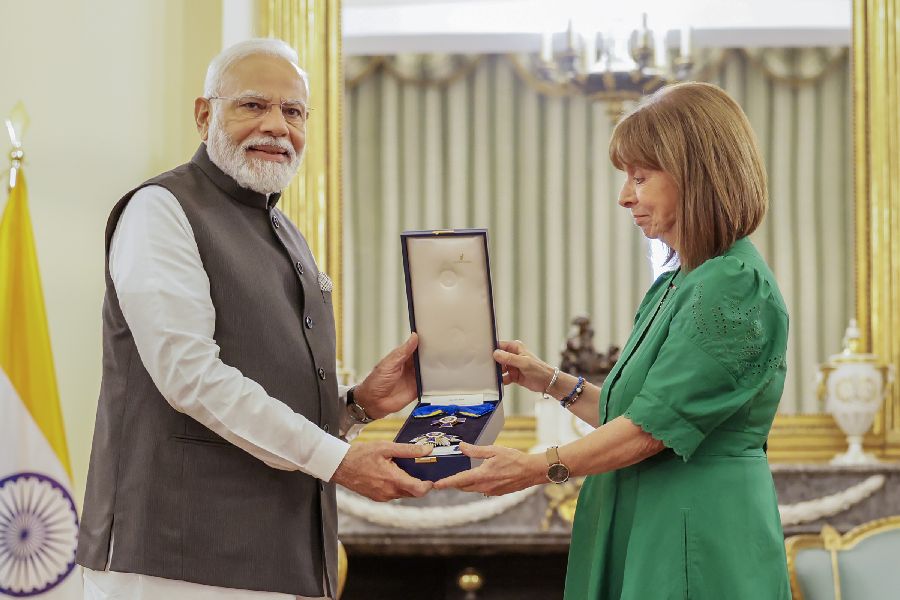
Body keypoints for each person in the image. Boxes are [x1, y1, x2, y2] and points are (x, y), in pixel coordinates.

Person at [76, 38, 432, 600]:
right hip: (177, 558)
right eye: (252, 105)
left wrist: (357, 404)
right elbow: (190, 376)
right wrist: (339, 460)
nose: (276, 126)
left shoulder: (286, 233)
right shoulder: (160, 210)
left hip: (282, 556)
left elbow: (265, 386)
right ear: (203, 115)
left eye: (293, 112)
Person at [436, 82, 792, 599]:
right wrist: (550, 381)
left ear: (696, 176)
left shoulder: (731, 284)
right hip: (656, 514)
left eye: (640, 177)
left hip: (695, 529)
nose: (626, 196)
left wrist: (538, 466)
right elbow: (638, 412)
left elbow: (652, 430)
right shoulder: (680, 282)